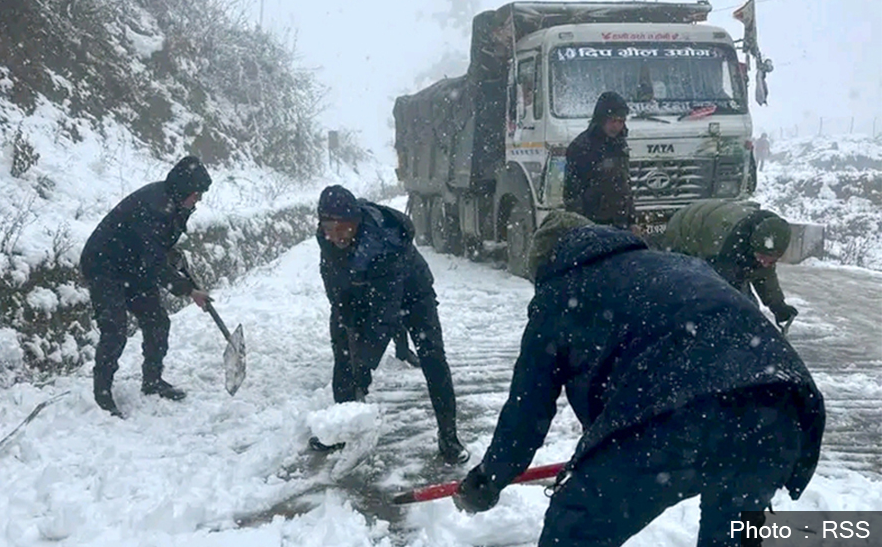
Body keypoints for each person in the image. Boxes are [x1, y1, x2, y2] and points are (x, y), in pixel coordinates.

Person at [452, 211, 825, 547]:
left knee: (575, 530)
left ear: (547, 262)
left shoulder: (560, 295)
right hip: (781, 406)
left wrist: (489, 479)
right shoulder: (675, 263)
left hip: (677, 412)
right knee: (731, 539)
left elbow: (527, 413)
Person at [316, 185, 468, 464]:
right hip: (363, 289)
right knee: (342, 347)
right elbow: (332, 277)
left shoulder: (384, 244)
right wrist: (342, 311)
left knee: (432, 357)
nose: (335, 236)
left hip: (413, 293)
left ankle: (449, 437)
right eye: (329, 227)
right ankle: (343, 425)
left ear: (356, 223)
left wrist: (365, 365)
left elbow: (384, 316)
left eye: (342, 228)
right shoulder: (325, 238)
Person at [80, 156, 213, 418]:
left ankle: (152, 381)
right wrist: (189, 290)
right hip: (104, 265)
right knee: (115, 329)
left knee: (157, 321)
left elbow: (155, 248)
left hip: (133, 265)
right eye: (196, 194)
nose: (198, 200)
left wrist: (170, 254)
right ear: (185, 189)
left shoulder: (174, 203)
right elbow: (153, 262)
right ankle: (102, 395)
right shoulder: (154, 206)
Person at [663, 200, 799, 328]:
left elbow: (764, 276)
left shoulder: (768, 236)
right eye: (762, 257)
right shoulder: (727, 246)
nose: (765, 263)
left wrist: (778, 306)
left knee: (744, 304)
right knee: (695, 290)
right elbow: (723, 286)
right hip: (685, 229)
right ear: (753, 246)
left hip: (716, 227)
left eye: (772, 261)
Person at [563, 91, 635, 229]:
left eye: (621, 121)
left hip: (620, 222)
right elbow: (571, 193)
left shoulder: (619, 146)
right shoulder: (581, 147)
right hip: (593, 222)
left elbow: (625, 185)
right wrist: (581, 225)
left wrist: (632, 220)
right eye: (613, 121)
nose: (616, 126)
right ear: (602, 120)